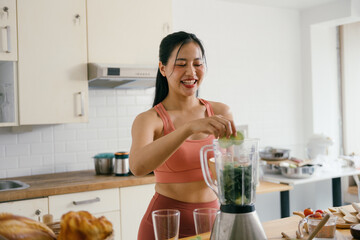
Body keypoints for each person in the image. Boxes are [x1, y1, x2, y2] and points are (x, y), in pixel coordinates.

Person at [129, 31, 237, 239]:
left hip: (213, 222)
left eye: (197, 64)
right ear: (163, 68)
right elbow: (137, 167)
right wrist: (188, 129)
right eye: (181, 64)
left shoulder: (221, 112)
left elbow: (232, 176)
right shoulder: (149, 120)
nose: (191, 72)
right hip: (164, 225)